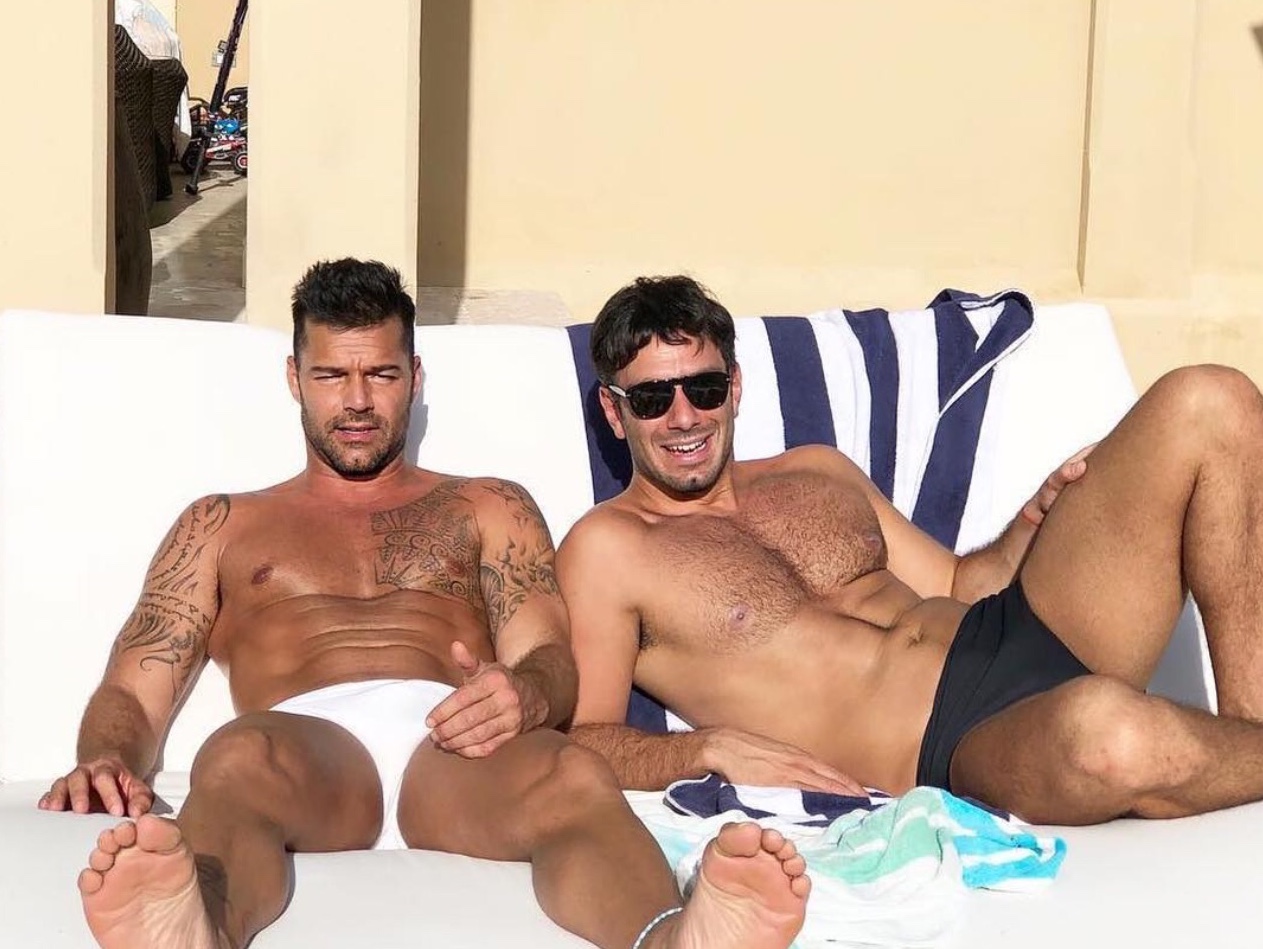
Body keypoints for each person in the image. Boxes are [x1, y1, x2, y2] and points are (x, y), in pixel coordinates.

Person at [38, 259, 811, 949]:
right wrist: (106, 759)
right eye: (331, 375)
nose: (357, 401)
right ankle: (197, 927)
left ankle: (671, 937)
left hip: (455, 746)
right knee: (236, 757)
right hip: (305, 751)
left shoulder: (489, 504)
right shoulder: (222, 522)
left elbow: (548, 655)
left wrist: (524, 693)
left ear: (414, 374)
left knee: (571, 775)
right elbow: (134, 685)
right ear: (294, 377)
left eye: (380, 374)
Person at [557, 273, 1263, 827]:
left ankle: (1251, 720)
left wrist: (1031, 522)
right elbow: (586, 737)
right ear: (615, 411)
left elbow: (959, 583)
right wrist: (705, 748)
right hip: (958, 742)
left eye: (704, 387)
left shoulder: (815, 467)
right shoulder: (609, 548)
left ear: (734, 388)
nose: (684, 417)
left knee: (1209, 398)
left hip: (1016, 623)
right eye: (652, 400)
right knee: (1109, 734)